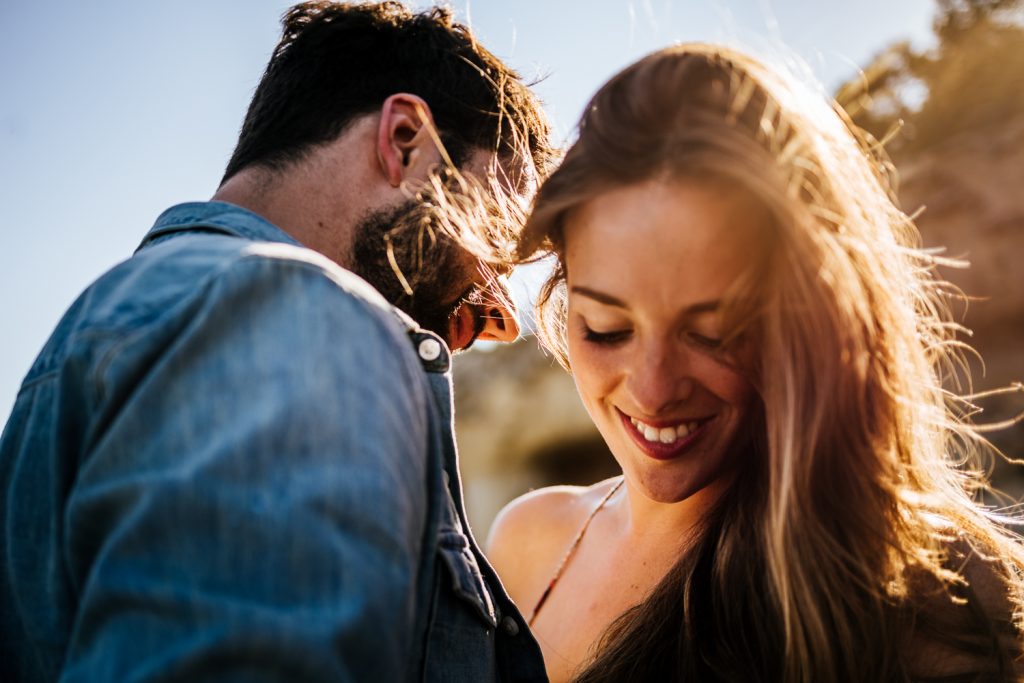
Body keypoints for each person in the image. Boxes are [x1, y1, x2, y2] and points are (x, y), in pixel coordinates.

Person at [0, 2, 554, 681]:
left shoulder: (101, 332)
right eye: (496, 238)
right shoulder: (299, 314)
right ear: (405, 139)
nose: (500, 317)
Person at [488, 44, 1024, 682]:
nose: (654, 389)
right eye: (607, 329)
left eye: (715, 333)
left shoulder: (929, 595)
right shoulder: (525, 542)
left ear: (813, 318)